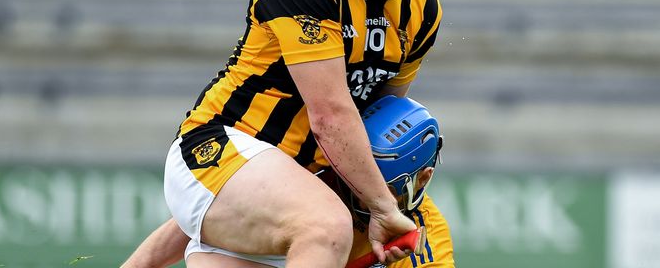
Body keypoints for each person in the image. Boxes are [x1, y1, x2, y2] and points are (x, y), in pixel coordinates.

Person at [123, 0, 443, 268]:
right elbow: (330, 117)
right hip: (219, 145)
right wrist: (383, 208)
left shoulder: (421, 2)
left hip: (285, 180)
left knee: (329, 221)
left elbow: (374, 118)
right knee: (327, 228)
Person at [122, 96, 455, 268]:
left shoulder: (425, 235)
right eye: (355, 174)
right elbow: (196, 223)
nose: (361, 191)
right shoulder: (315, 177)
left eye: (380, 184)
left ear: (422, 178)